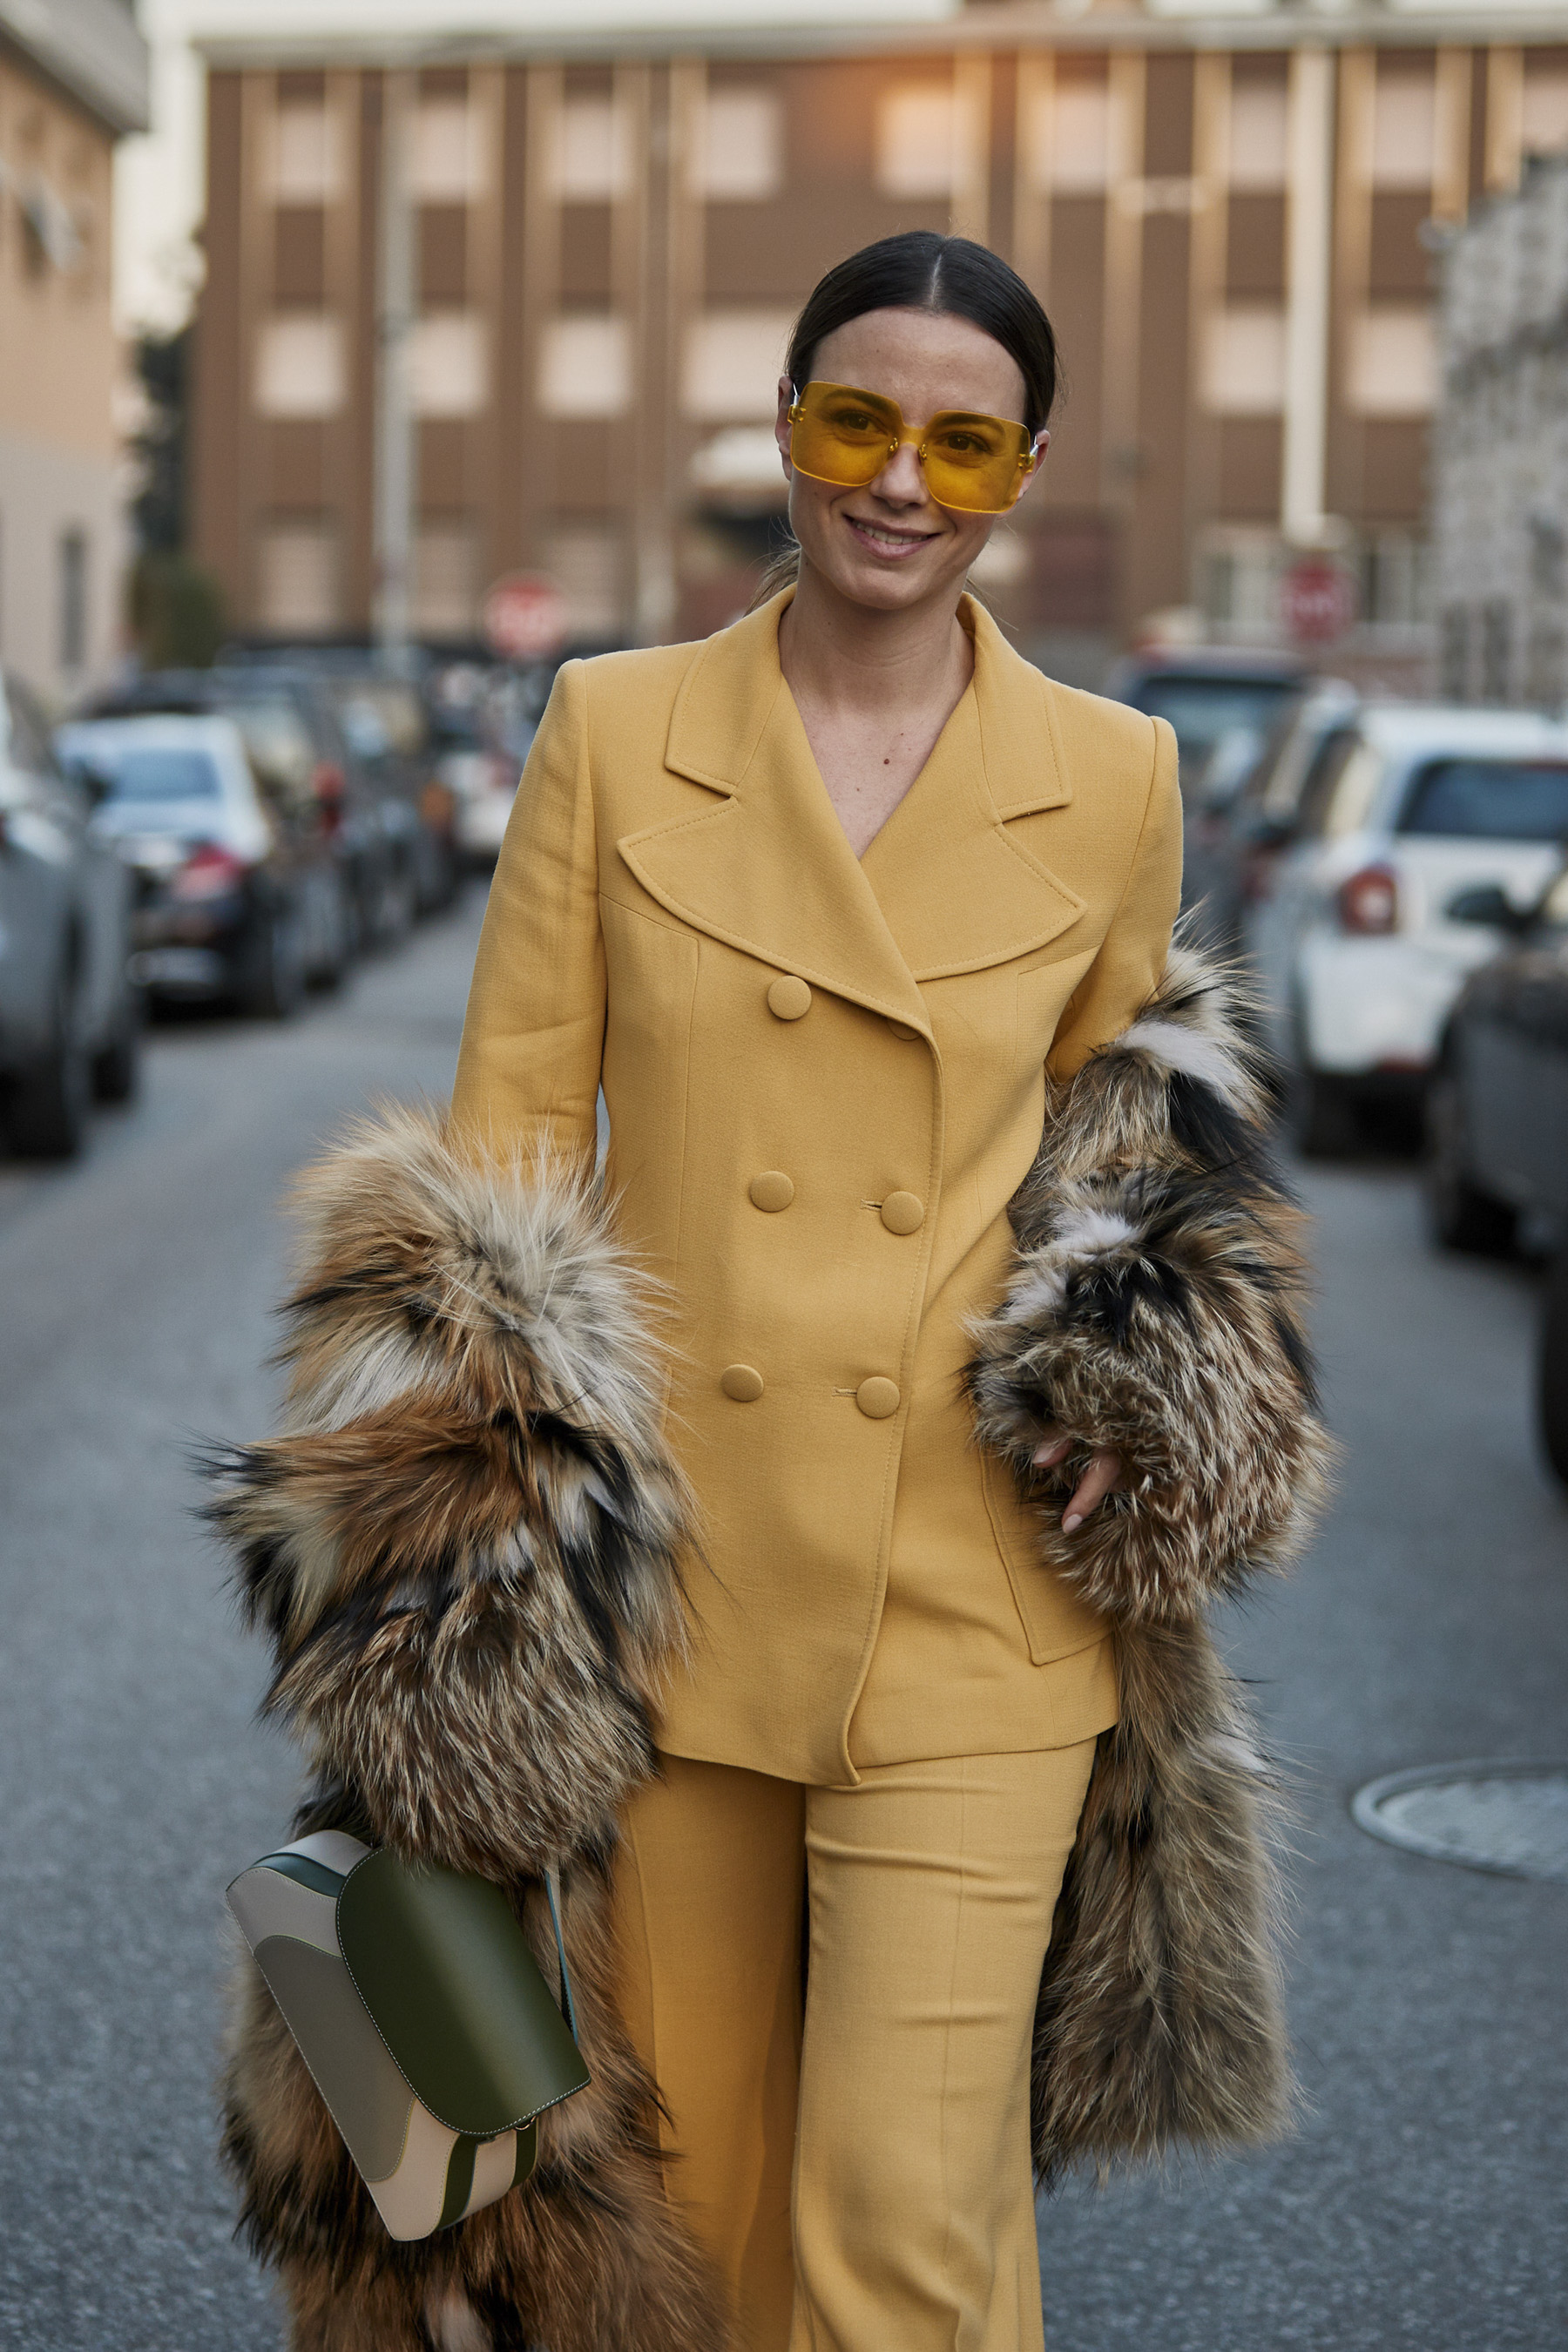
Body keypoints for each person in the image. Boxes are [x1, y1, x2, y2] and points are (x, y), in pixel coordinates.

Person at [211, 233, 1328, 2352]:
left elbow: (1137, 1139)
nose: (901, 478)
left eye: (960, 438)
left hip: (980, 1597)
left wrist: (1133, 1368)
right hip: (675, 1604)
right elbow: (501, 1171)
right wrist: (440, 1588)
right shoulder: (617, 729)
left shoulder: (1114, 775)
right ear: (787, 430)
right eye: (856, 419)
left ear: (1019, 471)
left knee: (907, 2232)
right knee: (676, 2227)